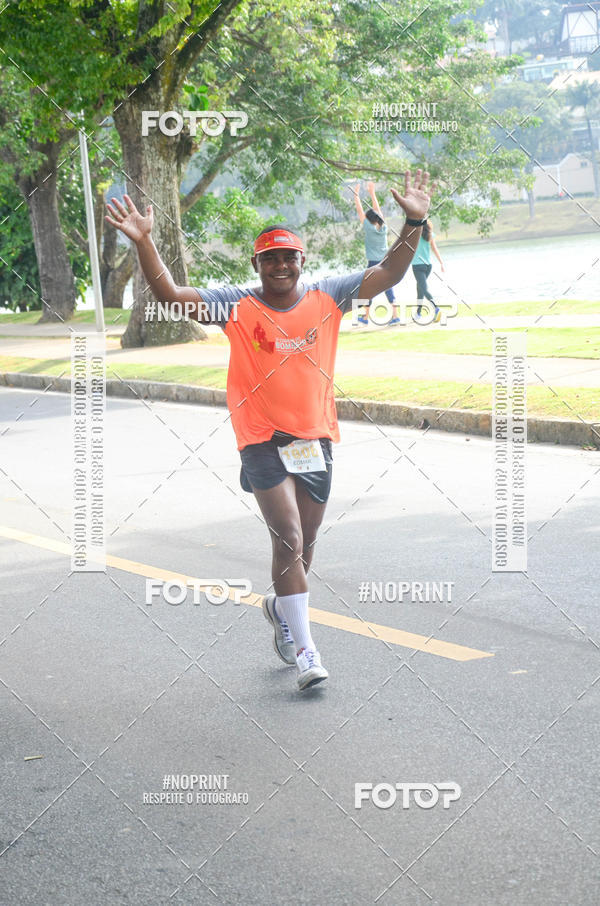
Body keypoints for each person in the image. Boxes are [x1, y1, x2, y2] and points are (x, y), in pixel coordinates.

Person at [105, 170, 434, 691]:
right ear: (256, 264)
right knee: (289, 536)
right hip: (260, 439)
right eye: (270, 258)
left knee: (306, 544)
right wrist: (145, 241)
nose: (281, 265)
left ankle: (281, 607)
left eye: (289, 257)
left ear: (302, 262)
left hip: (315, 439)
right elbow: (169, 292)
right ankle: (306, 651)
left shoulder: (330, 295)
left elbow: (391, 272)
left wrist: (414, 219)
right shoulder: (236, 303)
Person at [353, 181, 400, 326]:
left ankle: (366, 318)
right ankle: (394, 316)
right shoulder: (383, 228)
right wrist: (372, 193)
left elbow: (360, 211)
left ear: (369, 220)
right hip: (386, 261)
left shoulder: (368, 227)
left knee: (368, 288)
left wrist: (356, 195)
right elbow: (377, 211)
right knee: (387, 286)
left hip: (374, 262)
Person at [411, 218, 444, 323]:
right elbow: (434, 248)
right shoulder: (429, 234)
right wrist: (441, 263)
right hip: (428, 266)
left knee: (423, 289)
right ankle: (418, 313)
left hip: (417, 265)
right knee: (420, 288)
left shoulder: (414, 234)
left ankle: (436, 308)